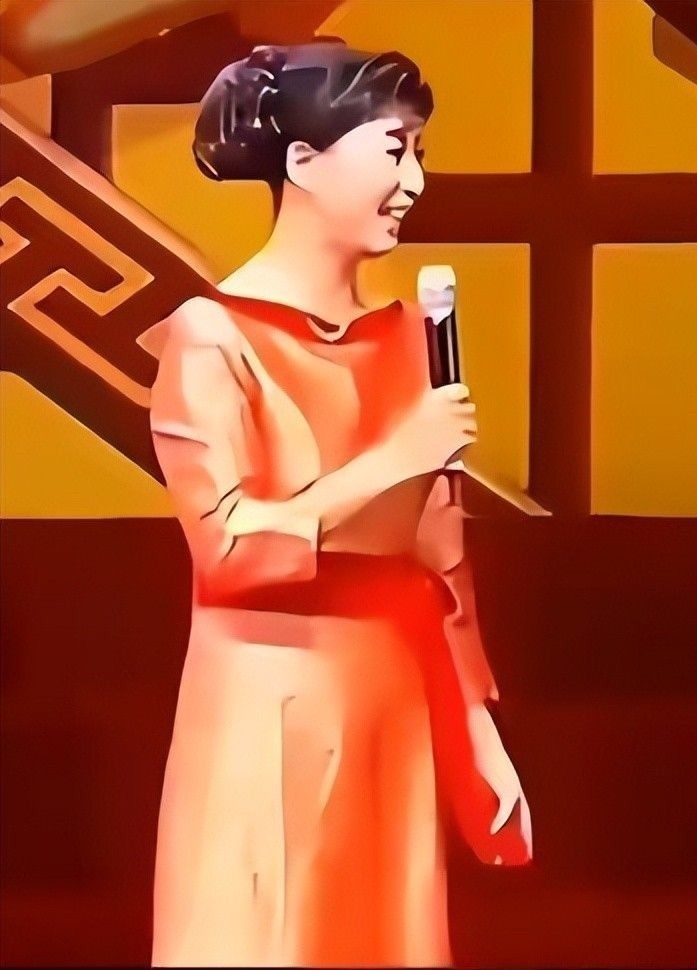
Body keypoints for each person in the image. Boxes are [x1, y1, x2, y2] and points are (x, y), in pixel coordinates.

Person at [148, 41, 531, 967]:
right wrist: (394, 458)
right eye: (395, 151)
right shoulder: (212, 337)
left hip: (391, 700)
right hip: (265, 705)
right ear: (303, 162)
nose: (414, 183)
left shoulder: (410, 338)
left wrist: (475, 722)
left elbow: (440, 558)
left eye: (420, 155)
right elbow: (229, 549)